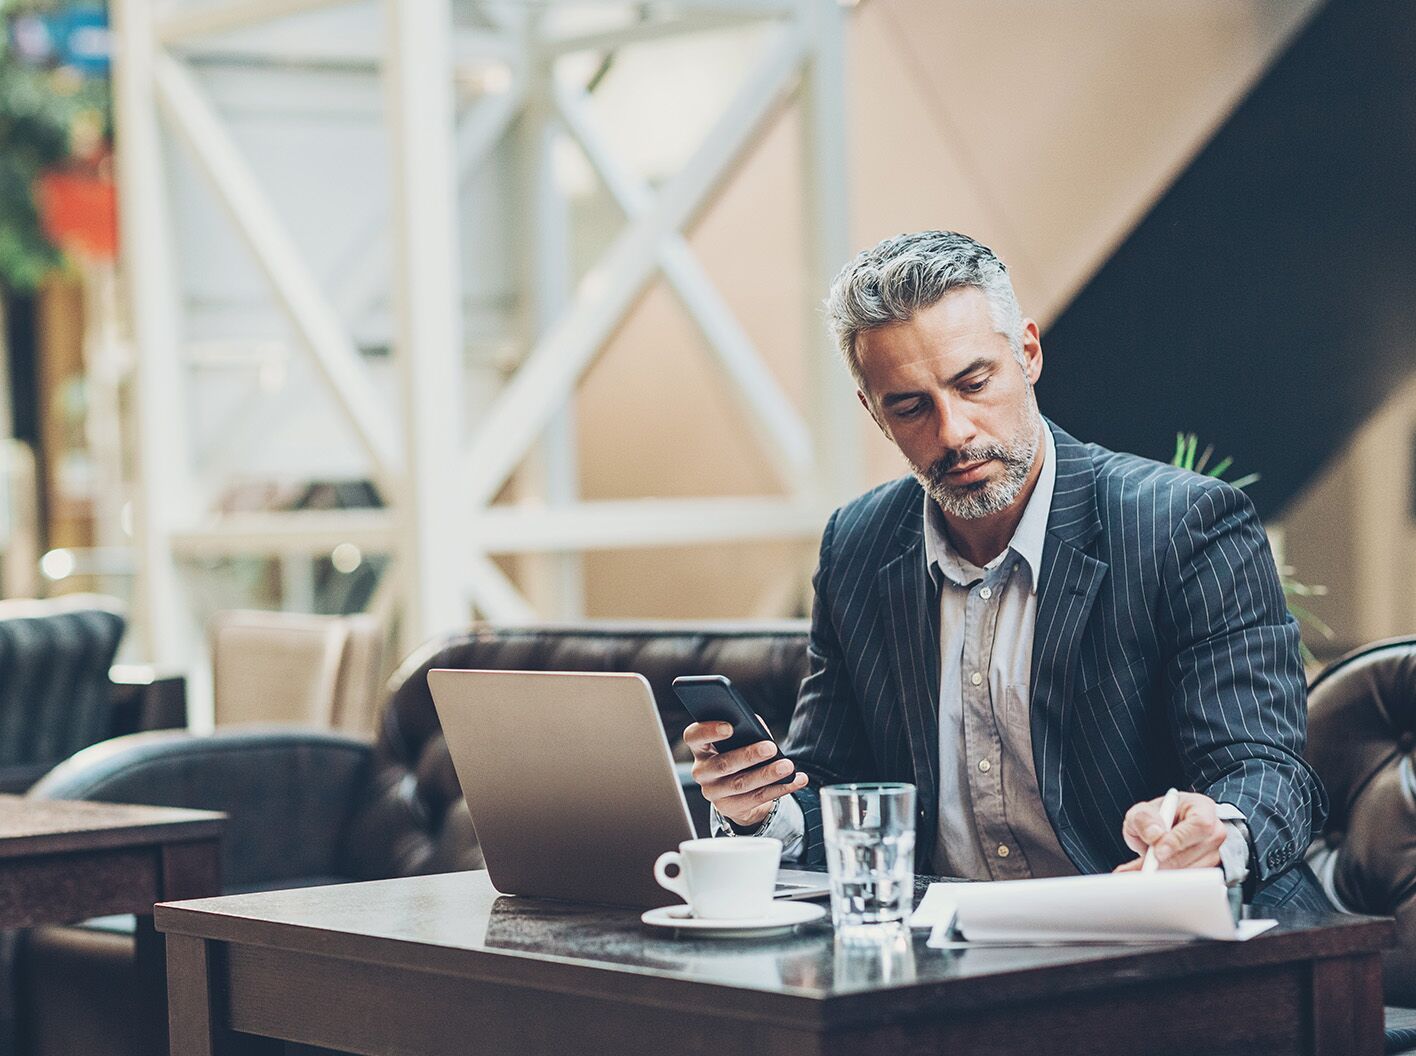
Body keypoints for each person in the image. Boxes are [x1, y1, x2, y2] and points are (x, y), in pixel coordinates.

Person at [686, 230, 1328, 907]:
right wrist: (763, 808)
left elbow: (1266, 770)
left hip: (1162, 933)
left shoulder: (1184, 526)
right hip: (950, 959)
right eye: (909, 405)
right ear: (873, 413)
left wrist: (1216, 835)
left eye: (973, 383)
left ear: (1027, 352)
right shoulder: (858, 547)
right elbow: (836, 787)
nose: (954, 432)